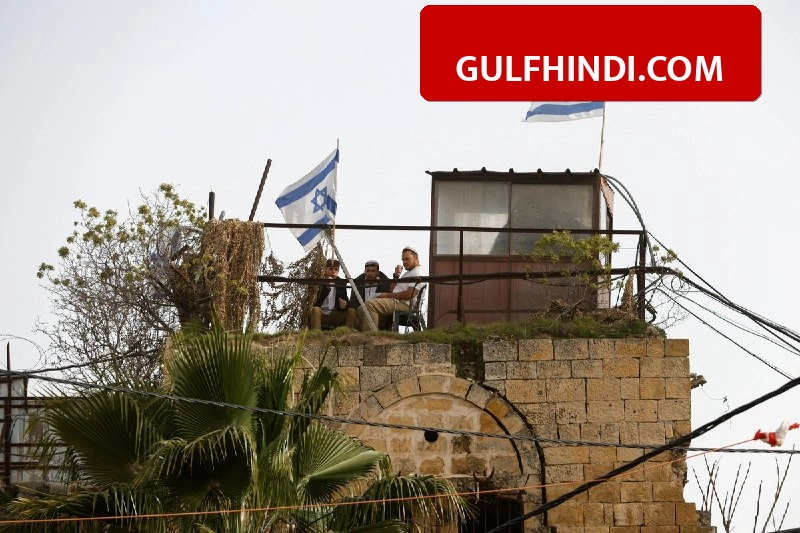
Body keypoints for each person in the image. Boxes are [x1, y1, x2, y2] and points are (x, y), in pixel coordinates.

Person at [358, 246, 426, 332]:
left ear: (416, 258)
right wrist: (396, 276)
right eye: (403, 260)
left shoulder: (418, 272)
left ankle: (372, 335)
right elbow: (392, 289)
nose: (404, 262)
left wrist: (386, 295)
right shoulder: (408, 273)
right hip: (396, 301)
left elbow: (410, 294)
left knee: (370, 305)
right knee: (361, 308)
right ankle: (373, 333)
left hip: (405, 304)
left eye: (407, 259)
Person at [310, 259, 356, 330]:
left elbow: (345, 300)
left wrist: (344, 304)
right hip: (321, 313)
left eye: (336, 269)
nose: (333, 271)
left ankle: (345, 334)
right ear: (325, 269)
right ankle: (316, 334)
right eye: (331, 269)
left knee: (351, 311)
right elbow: (315, 302)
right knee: (316, 310)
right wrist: (326, 287)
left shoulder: (341, 282)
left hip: (334, 313)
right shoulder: (319, 280)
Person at [348, 259, 392, 329]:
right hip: (361, 312)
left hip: (379, 312)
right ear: (364, 271)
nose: (370, 274)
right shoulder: (358, 283)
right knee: (358, 309)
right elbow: (354, 300)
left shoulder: (385, 284)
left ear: (377, 272)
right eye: (368, 271)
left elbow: (387, 301)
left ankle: (370, 332)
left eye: (373, 271)